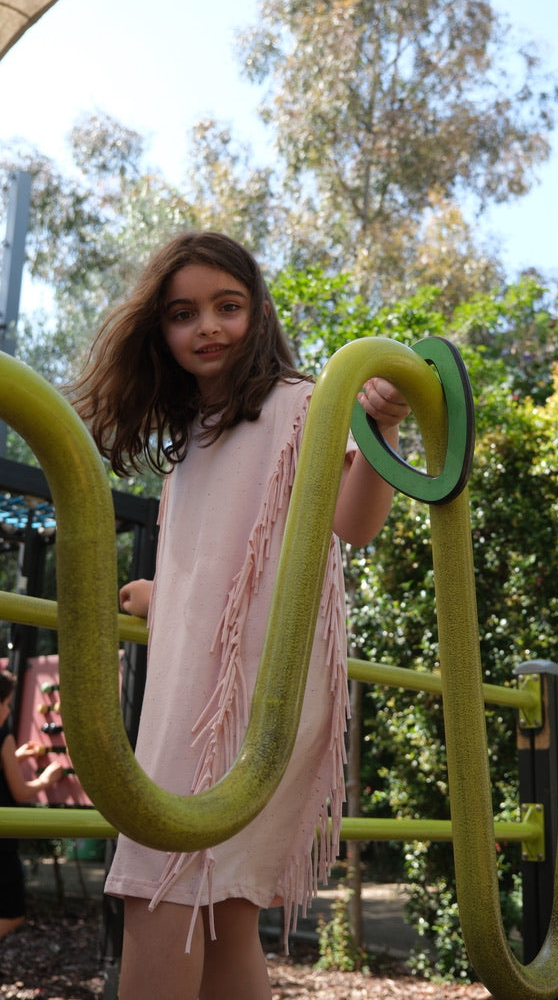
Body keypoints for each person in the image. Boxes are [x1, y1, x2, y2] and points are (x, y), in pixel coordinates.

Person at [70, 231, 410, 999]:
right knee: (219, 913)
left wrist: (381, 427)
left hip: (247, 693)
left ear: (258, 313)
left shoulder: (299, 403)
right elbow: (230, 559)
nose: (208, 327)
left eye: (227, 306)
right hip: (203, 686)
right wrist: (163, 594)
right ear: (161, 331)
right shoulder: (192, 438)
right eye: (183, 314)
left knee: (159, 879)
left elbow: (353, 523)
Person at [0, 669, 65, 939]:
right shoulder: (3, 736)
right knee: (11, 913)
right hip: (3, 841)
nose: (9, 710)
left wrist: (13, 758)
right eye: (7, 703)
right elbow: (20, 792)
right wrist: (46, 779)